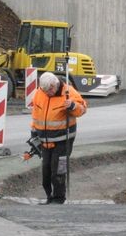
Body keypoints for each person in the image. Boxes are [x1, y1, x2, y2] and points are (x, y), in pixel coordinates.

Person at [30, 71, 87, 204]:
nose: (48, 93)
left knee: (59, 170)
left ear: (55, 84)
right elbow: (36, 113)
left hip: (63, 140)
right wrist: (33, 133)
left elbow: (82, 109)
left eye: (50, 90)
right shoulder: (40, 93)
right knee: (46, 171)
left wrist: (72, 106)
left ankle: (59, 198)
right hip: (45, 140)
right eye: (45, 91)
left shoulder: (69, 92)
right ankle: (49, 196)